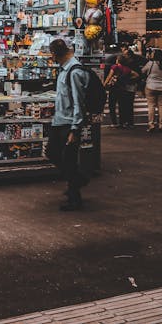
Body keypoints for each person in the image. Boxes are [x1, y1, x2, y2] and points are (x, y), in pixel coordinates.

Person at [47, 38, 90, 211]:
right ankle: (79, 179)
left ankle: (75, 198)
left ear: (57, 54)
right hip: (59, 121)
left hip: (69, 123)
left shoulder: (74, 71)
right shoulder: (64, 70)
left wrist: (75, 128)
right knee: (52, 152)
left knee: (69, 160)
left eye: (52, 55)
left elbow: (79, 102)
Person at [141, 49, 162, 133]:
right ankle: (161, 124)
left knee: (151, 106)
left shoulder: (150, 64)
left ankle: (151, 124)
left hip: (151, 86)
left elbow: (143, 71)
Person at [102, 45, 120, 127]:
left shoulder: (112, 65)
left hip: (113, 87)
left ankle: (114, 122)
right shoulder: (123, 66)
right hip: (121, 87)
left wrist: (104, 84)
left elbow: (108, 76)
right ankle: (123, 122)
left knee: (112, 105)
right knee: (121, 105)